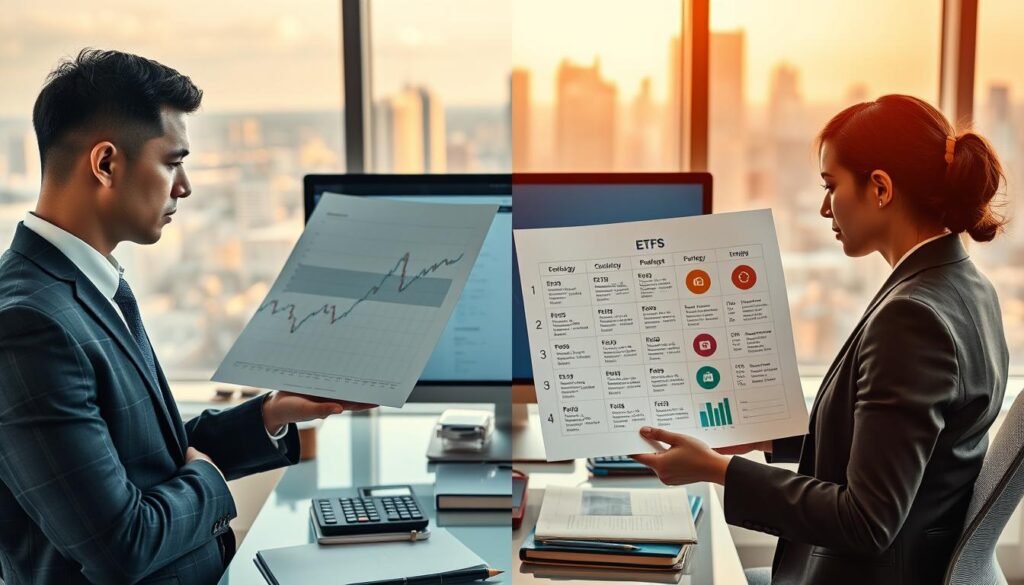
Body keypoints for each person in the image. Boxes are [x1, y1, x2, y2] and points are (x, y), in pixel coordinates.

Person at [0, 49, 375, 585]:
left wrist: (271, 413)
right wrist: (210, 479)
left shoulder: (91, 285)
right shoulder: (28, 325)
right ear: (105, 164)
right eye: (173, 161)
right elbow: (119, 545)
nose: (185, 186)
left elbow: (151, 456)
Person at [631, 94, 1009, 585]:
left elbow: (865, 520)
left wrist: (718, 471)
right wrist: (765, 436)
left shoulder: (912, 318)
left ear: (880, 187)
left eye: (831, 186)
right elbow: (896, 446)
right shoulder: (964, 284)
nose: (824, 207)